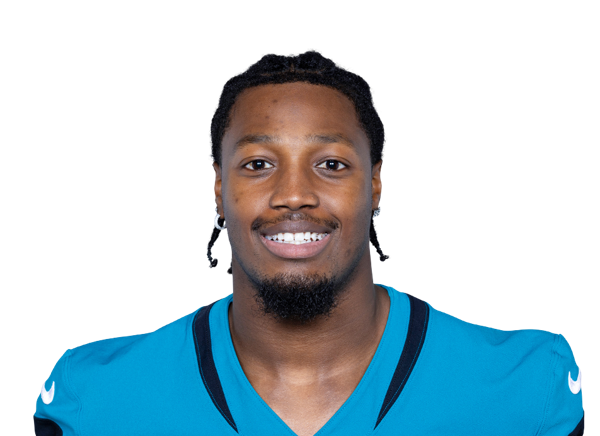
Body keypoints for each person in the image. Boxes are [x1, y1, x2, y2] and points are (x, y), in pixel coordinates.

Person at [33, 51, 584, 435]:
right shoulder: (96, 395)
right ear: (219, 190)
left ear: (375, 186)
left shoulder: (527, 385)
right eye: (258, 164)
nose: (293, 194)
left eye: (331, 164)